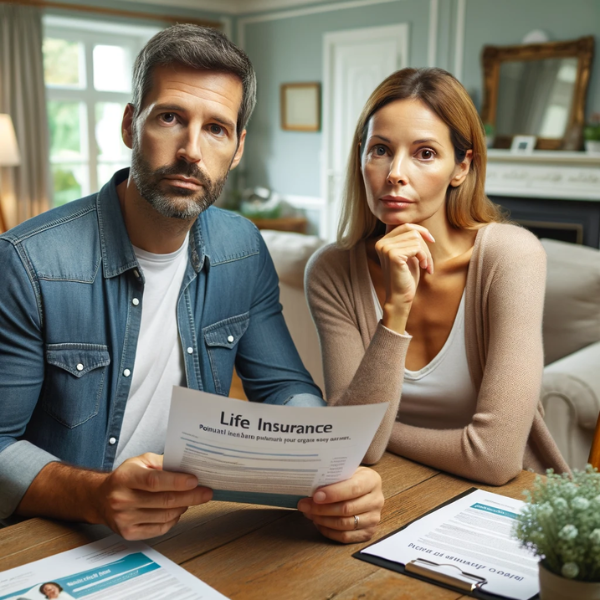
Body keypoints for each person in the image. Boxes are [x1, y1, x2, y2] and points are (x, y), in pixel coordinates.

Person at [0, 25, 383, 544]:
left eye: (216, 129)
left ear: (238, 147)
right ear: (130, 125)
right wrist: (97, 494)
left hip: (195, 533)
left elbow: (284, 387)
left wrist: (326, 469)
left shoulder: (242, 248)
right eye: (170, 117)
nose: (191, 151)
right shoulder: (29, 262)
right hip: (62, 538)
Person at [306, 67, 569, 486]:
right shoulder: (332, 271)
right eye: (380, 149)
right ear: (361, 158)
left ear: (461, 168)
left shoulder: (511, 257)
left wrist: (367, 431)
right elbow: (354, 446)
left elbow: (495, 460)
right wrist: (395, 311)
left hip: (504, 503)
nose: (395, 172)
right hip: (387, 489)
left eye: (424, 153)